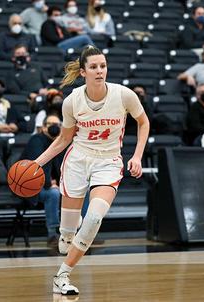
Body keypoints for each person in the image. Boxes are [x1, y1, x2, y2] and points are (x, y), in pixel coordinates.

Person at [32, 46, 150, 295]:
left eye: (103, 66)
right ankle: (67, 240)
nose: (100, 71)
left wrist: (137, 156)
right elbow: (63, 140)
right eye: (94, 67)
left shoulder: (124, 95)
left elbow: (143, 122)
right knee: (66, 237)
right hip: (78, 160)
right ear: (83, 72)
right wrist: (37, 164)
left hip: (108, 162)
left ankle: (62, 275)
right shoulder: (72, 101)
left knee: (94, 217)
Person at [22, 114, 64, 247]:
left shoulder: (60, 143)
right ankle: (53, 234)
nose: (54, 127)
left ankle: (82, 233)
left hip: (52, 186)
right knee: (53, 194)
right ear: (43, 128)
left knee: (82, 192)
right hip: (31, 188)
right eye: (50, 124)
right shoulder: (37, 140)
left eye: (57, 124)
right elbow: (36, 167)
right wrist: (48, 184)